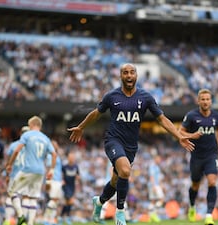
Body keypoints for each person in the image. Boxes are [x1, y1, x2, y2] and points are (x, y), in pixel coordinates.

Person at [67, 63, 194, 225]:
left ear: (136, 76)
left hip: (131, 146)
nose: (128, 75)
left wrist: (179, 136)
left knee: (116, 180)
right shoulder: (112, 96)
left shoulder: (145, 97)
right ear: (121, 76)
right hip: (113, 140)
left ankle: (99, 202)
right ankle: (121, 213)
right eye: (125, 73)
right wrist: (81, 127)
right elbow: (96, 114)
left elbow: (161, 119)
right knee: (125, 171)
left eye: (132, 72)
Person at [179, 88, 218, 225]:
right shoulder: (192, 116)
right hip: (196, 156)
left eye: (208, 99)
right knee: (195, 185)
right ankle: (192, 207)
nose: (205, 102)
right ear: (198, 101)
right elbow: (180, 132)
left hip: (211, 155)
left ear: (211, 101)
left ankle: (209, 215)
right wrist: (192, 136)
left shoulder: (216, 116)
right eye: (203, 99)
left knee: (212, 182)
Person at [6, 116, 57, 225]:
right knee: (33, 197)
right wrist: (52, 169)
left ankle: (20, 216)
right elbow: (54, 154)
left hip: (27, 169)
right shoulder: (45, 138)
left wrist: (10, 164)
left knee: (11, 191)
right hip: (40, 172)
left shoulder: (27, 135)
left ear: (32, 124)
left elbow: (16, 151)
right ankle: (30, 223)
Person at [4, 126, 30, 224]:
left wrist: (7, 174)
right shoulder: (31, 147)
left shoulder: (13, 145)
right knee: (26, 197)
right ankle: (24, 221)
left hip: (14, 175)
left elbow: (8, 161)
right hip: (27, 175)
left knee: (11, 196)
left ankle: (8, 219)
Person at [43, 139, 64, 225]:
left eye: (56, 144)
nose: (56, 146)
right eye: (54, 144)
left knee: (56, 200)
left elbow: (59, 169)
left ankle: (51, 218)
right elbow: (48, 169)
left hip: (58, 180)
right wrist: (48, 181)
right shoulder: (49, 156)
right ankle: (46, 218)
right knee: (53, 199)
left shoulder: (57, 156)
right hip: (53, 179)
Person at [60, 151, 80, 225]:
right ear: (68, 158)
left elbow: (78, 175)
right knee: (70, 201)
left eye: (73, 157)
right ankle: (67, 216)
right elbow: (61, 174)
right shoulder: (64, 166)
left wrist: (78, 178)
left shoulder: (76, 166)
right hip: (66, 186)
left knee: (67, 203)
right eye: (70, 157)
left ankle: (61, 217)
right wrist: (62, 180)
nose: (71, 159)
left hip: (72, 186)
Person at [147, 155, 165, 223]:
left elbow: (158, 177)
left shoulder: (157, 167)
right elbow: (151, 176)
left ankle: (150, 215)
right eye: (159, 159)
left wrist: (161, 185)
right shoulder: (152, 166)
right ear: (155, 159)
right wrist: (154, 186)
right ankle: (154, 214)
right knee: (162, 199)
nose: (160, 161)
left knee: (153, 201)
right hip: (154, 185)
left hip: (156, 185)